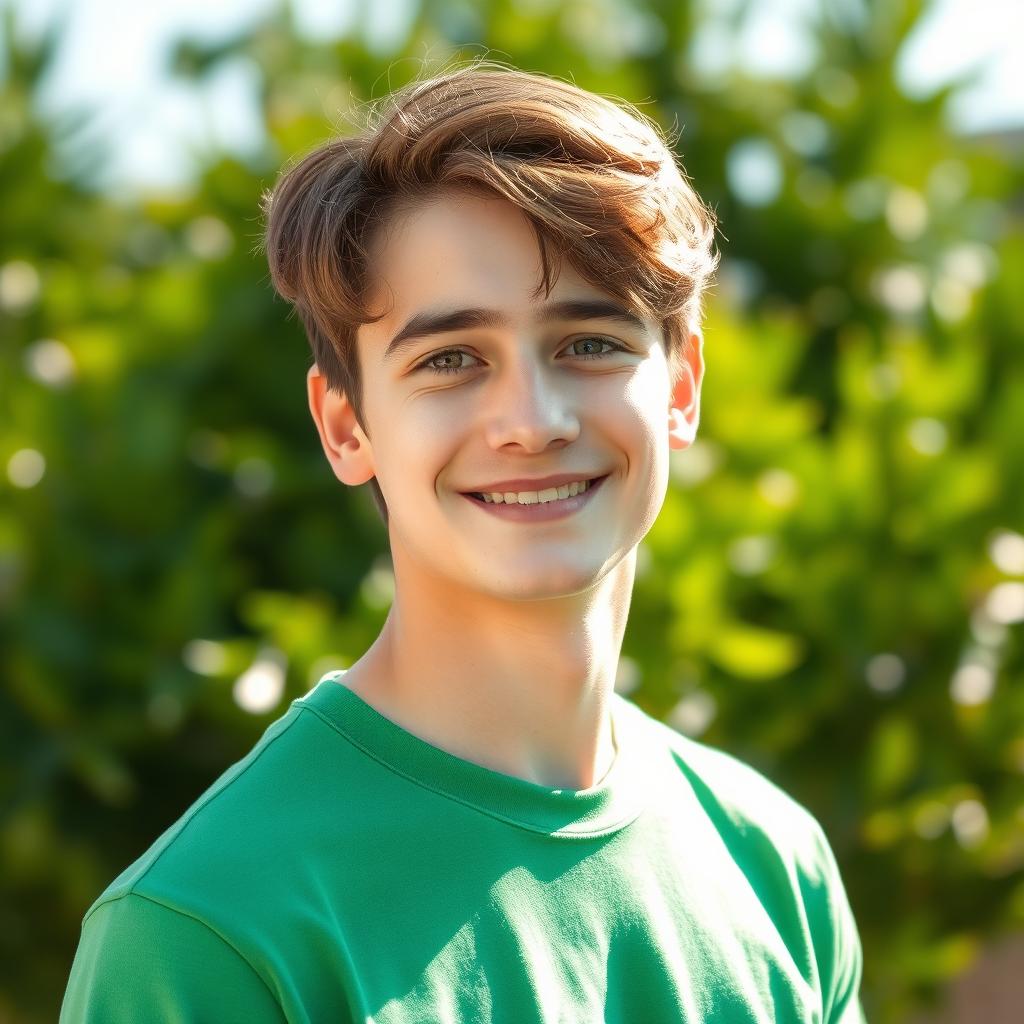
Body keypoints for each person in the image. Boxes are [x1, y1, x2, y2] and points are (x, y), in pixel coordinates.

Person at [60, 61, 867, 1022]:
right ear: (346, 427)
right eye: (450, 359)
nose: (531, 420)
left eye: (590, 343)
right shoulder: (211, 929)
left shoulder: (776, 866)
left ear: (683, 386)